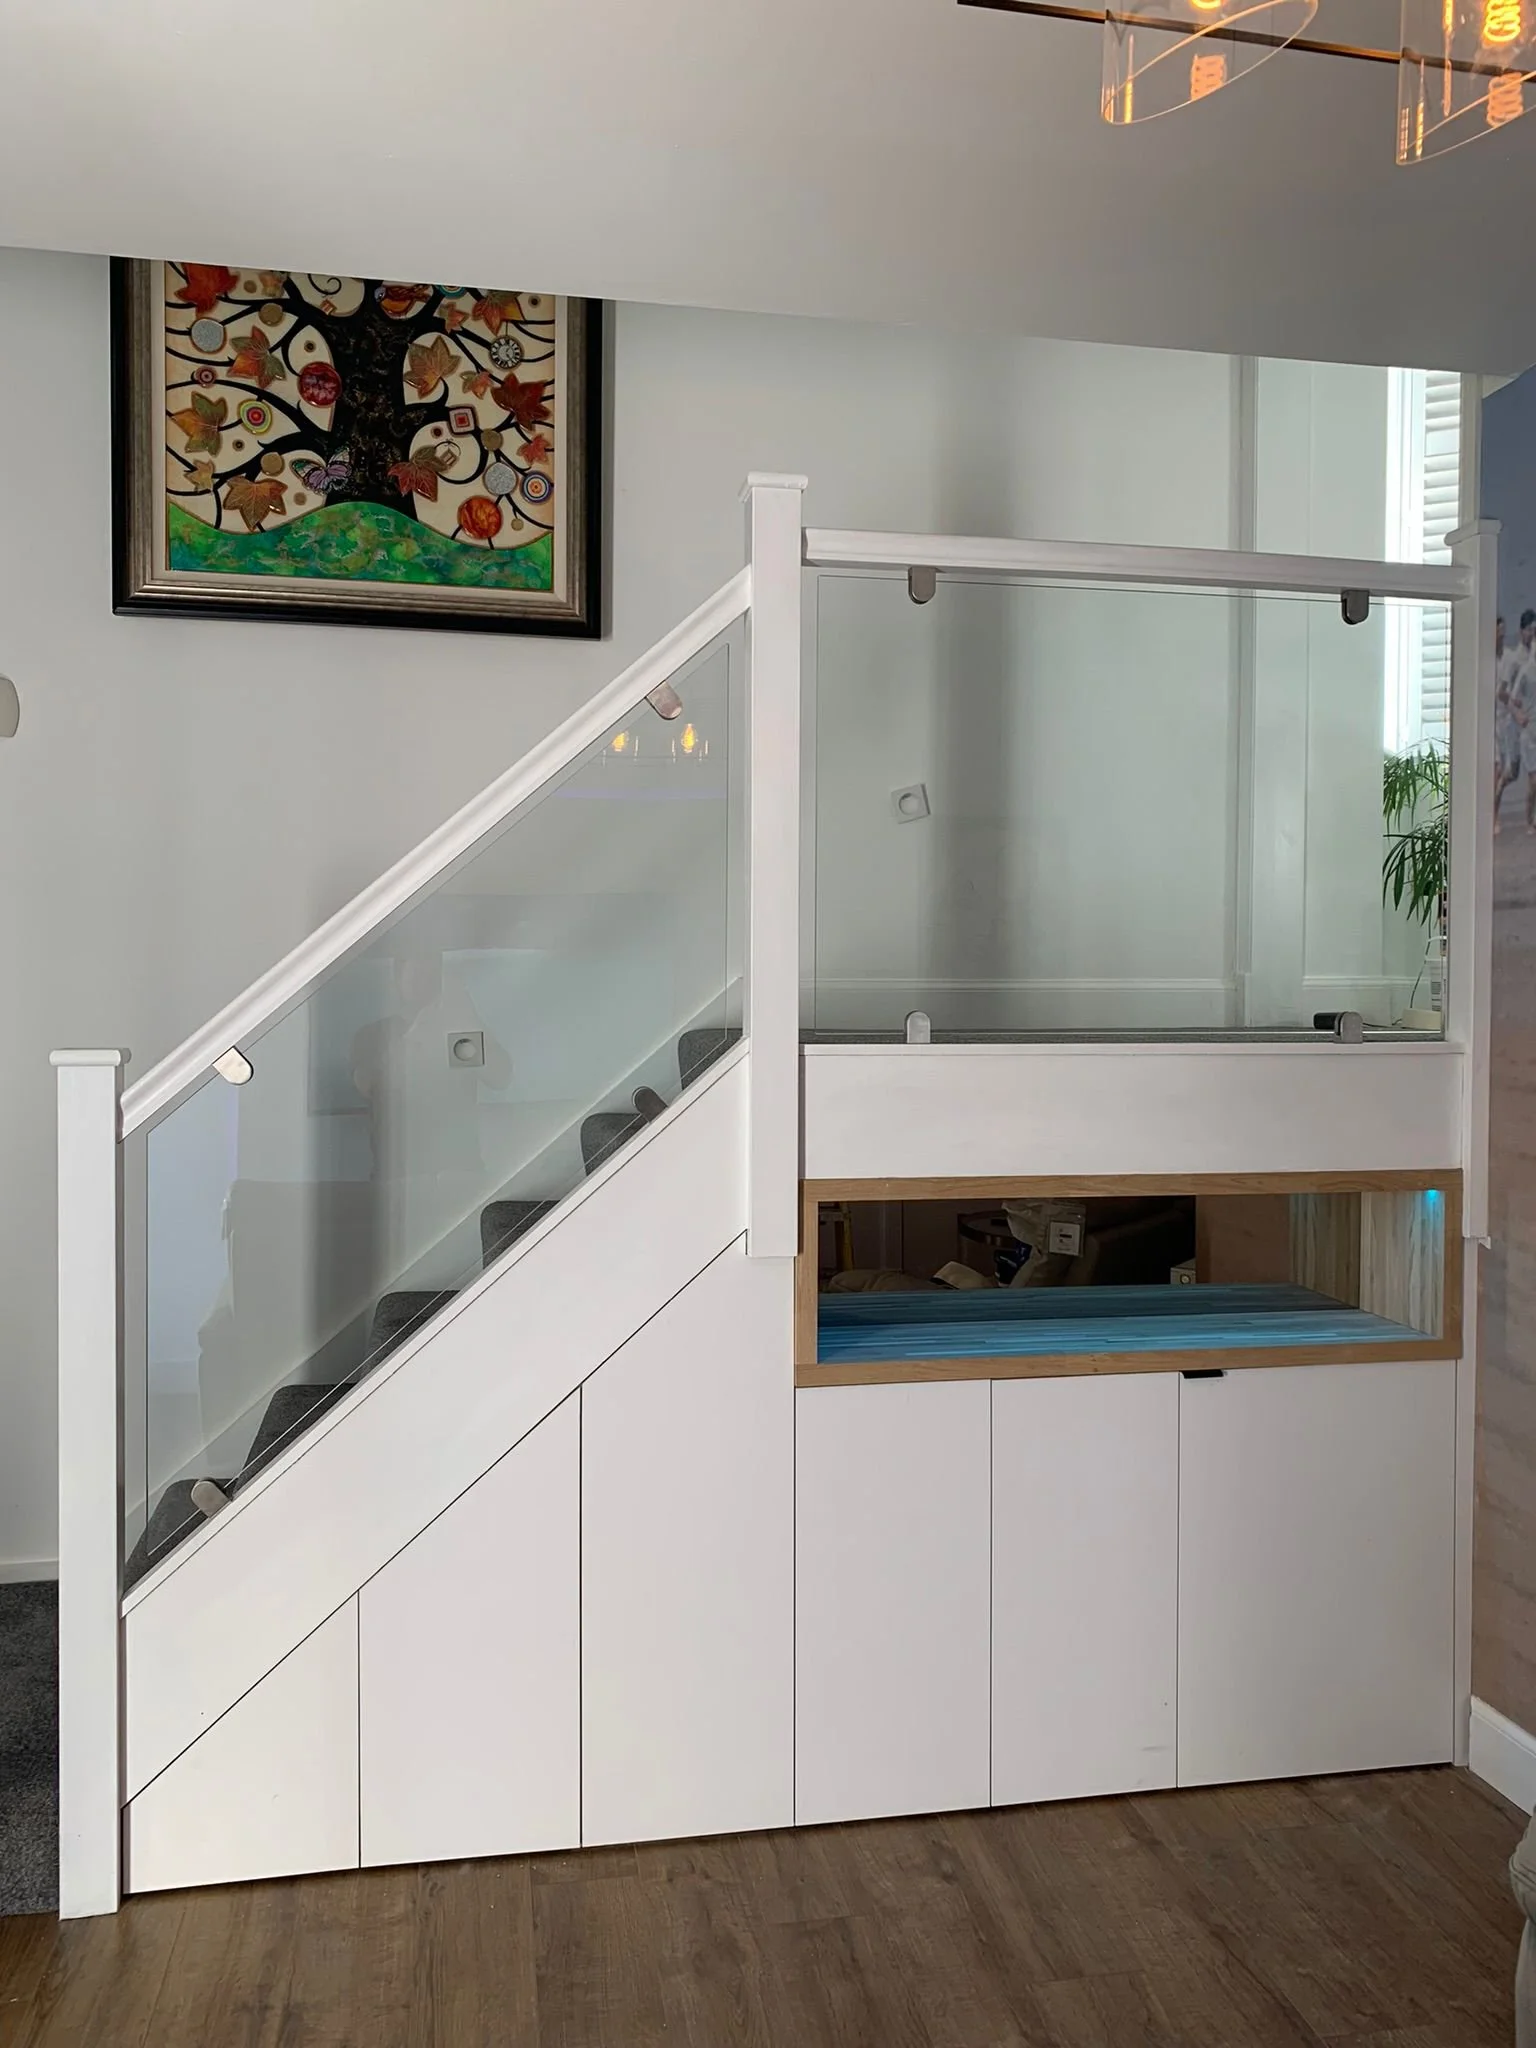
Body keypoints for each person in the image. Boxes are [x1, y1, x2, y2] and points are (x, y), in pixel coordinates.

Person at [1496, 615, 1524, 832]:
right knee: (1497, 769)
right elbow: (1501, 692)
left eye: (1503, 631)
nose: (1501, 635)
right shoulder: (1483, 656)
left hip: (1507, 722)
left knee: (1512, 772)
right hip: (1494, 722)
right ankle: (1492, 816)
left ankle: (1491, 805)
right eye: (1498, 631)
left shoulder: (1510, 657)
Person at [1510, 609, 1536, 834]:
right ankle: (1529, 821)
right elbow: (1509, 697)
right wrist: (1520, 716)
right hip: (1525, 731)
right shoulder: (1523, 665)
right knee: (1528, 777)